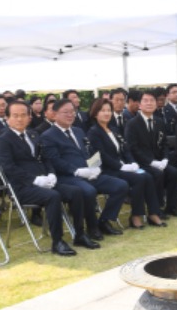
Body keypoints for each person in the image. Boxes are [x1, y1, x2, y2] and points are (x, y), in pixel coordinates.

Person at [0, 100, 96, 255]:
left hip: (45, 180)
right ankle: (57, 241)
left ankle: (80, 234)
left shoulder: (33, 134)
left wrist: (51, 173)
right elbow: (9, 168)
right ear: (7, 118)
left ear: (30, 117)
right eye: (15, 116)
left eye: (23, 115)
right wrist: (34, 180)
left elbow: (45, 158)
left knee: (76, 192)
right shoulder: (3, 139)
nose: (20, 119)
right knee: (53, 196)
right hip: (22, 186)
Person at [40, 99, 129, 239]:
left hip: (89, 173)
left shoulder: (78, 131)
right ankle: (92, 228)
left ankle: (104, 221)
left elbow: (90, 151)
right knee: (88, 191)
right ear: (55, 114)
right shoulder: (47, 136)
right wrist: (77, 171)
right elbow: (54, 160)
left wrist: (96, 167)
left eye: (72, 112)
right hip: (68, 177)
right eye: (66, 112)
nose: (70, 115)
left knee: (120, 185)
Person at [86, 99, 165, 229]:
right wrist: (121, 166)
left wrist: (133, 163)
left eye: (108, 110)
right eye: (103, 111)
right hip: (109, 169)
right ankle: (136, 216)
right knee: (139, 178)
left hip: (124, 167)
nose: (107, 113)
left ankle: (153, 213)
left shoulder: (113, 129)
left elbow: (125, 149)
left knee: (147, 176)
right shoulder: (93, 132)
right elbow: (101, 155)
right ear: (95, 113)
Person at [124, 90, 177, 217]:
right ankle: (156, 209)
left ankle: (172, 206)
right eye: (145, 101)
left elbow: (164, 144)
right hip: (141, 163)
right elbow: (133, 148)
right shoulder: (132, 124)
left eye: (152, 101)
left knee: (174, 172)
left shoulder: (159, 121)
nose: (149, 103)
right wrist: (151, 162)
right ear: (139, 105)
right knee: (157, 174)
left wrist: (166, 159)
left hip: (159, 161)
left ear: (156, 104)